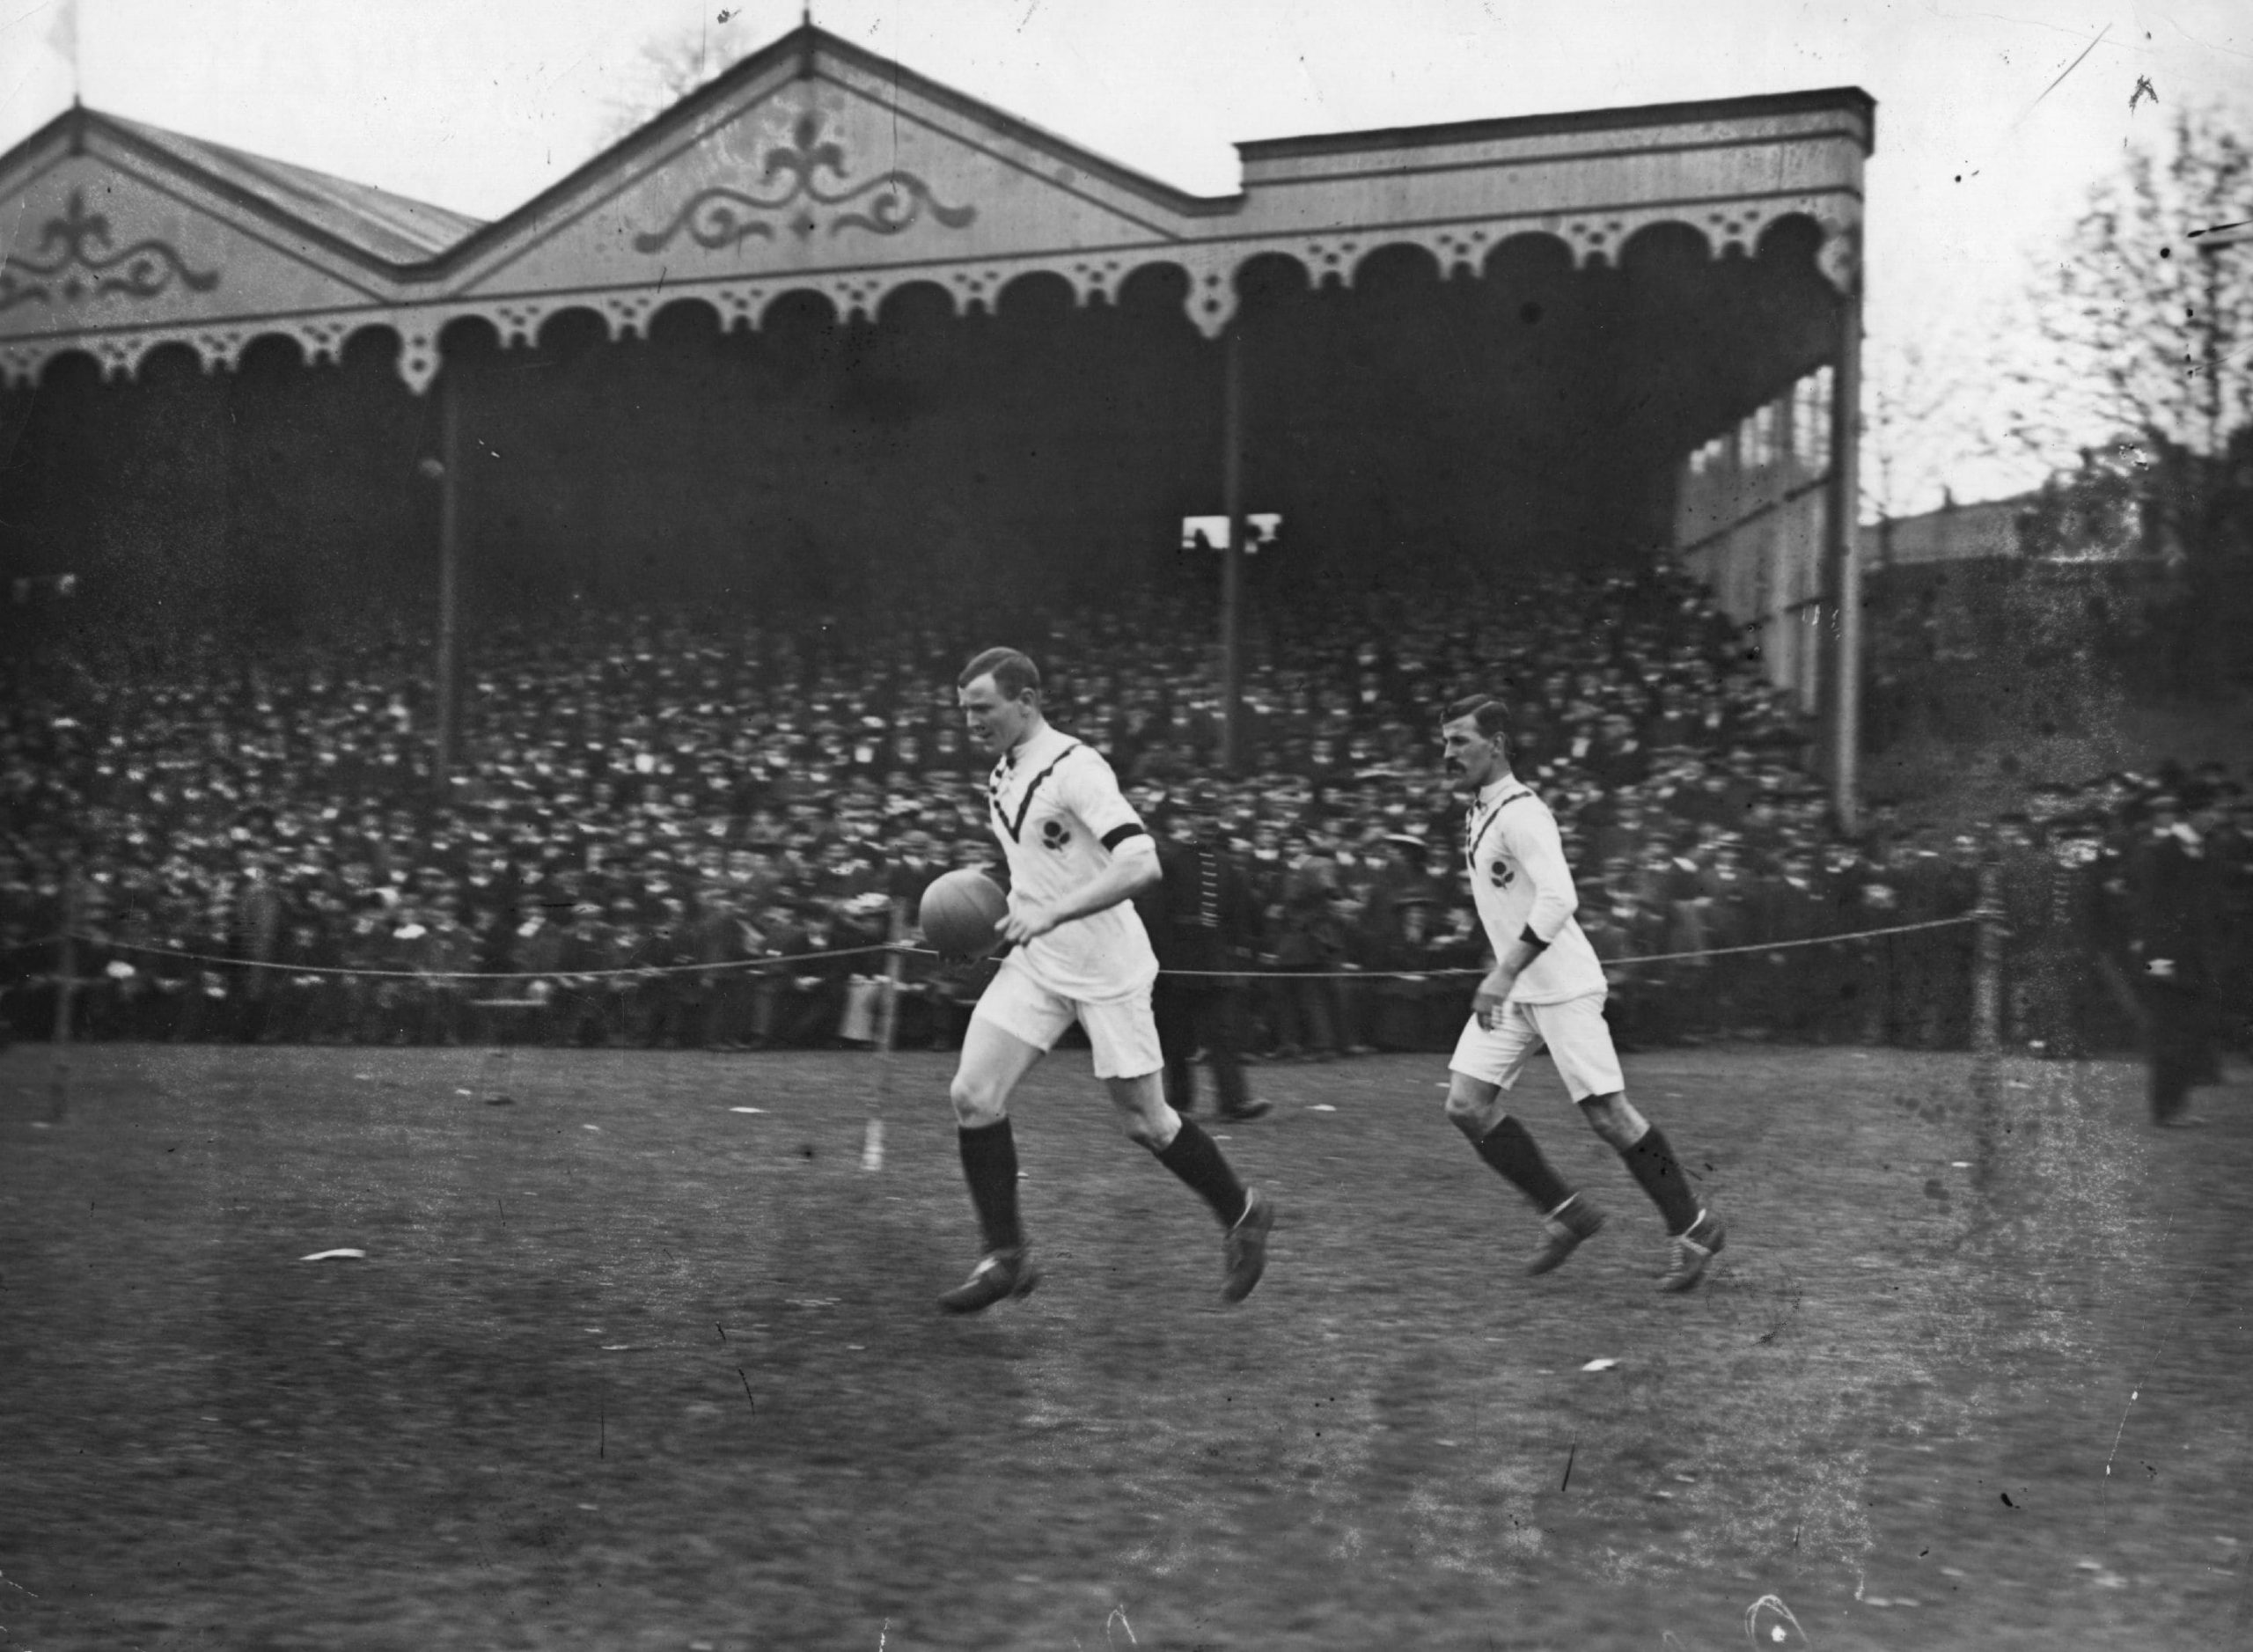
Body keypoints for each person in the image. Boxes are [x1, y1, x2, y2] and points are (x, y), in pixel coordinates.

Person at [936, 647, 1273, 1313]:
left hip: (1107, 969)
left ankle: (1243, 1212)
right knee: (973, 1095)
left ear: (1026, 700)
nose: (971, 723)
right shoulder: (1001, 776)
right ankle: (1006, 1256)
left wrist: (1053, 912)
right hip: (1039, 964)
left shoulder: (1076, 768)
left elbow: (1141, 863)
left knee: (1148, 1123)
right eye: (964, 712)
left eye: (983, 708)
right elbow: (1036, 877)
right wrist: (986, 930)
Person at [1435, 693, 1726, 1293]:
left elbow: (1559, 898)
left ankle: (1693, 1227)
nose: (1448, 753)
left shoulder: (1522, 813)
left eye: (1460, 740)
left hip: (1561, 986)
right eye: (1444, 742)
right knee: (1465, 1104)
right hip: (1519, 990)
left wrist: (1502, 973)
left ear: (1497, 744)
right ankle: (1566, 1214)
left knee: (1609, 1117)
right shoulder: (1479, 810)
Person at [1137, 783, 1270, 1121]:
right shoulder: (1171, 861)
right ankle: (1178, 1103)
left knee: (1223, 1033)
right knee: (1176, 1038)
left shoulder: (1226, 865)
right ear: (1190, 819)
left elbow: (1239, 917)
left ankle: (1234, 1102)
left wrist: (1241, 956)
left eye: (1213, 816)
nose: (1208, 822)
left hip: (1215, 963)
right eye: (1201, 815)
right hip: (1178, 964)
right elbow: (1155, 915)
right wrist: (1162, 961)